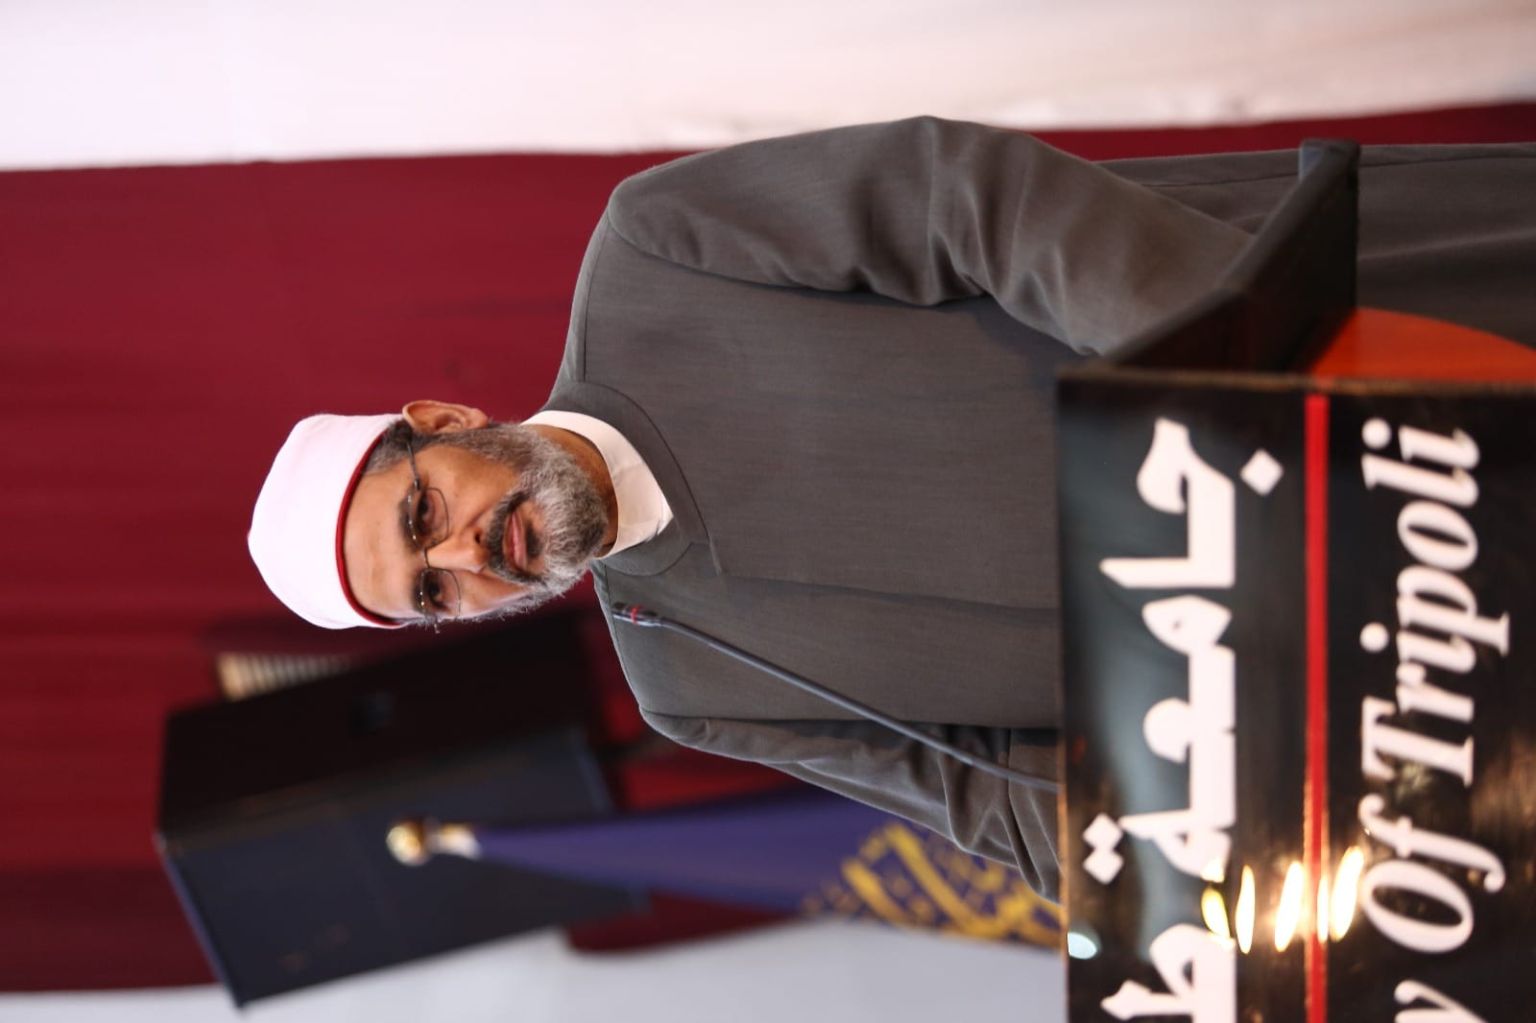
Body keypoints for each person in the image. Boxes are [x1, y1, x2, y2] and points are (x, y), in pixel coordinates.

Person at [249, 117, 1536, 900]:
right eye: (434, 593)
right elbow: (1002, 802)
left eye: (422, 517)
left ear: (443, 422)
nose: (465, 555)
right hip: (1412, 653)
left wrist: (1250, 376)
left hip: (1382, 374)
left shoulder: (652, 255)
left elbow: (977, 203)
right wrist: (1210, 882)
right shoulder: (685, 684)